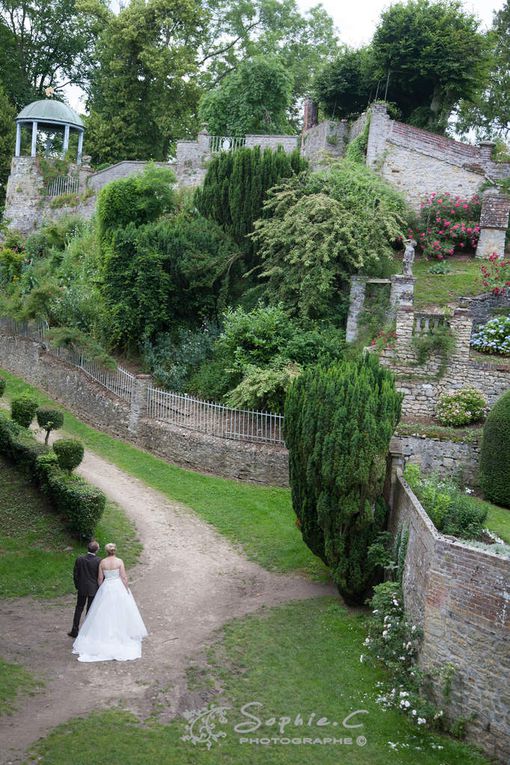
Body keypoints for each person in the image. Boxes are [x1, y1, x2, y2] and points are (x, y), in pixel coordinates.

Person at [72, 542, 148, 662]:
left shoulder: (102, 562)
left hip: (107, 587)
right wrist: (126, 588)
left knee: (104, 612)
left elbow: (100, 578)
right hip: (118, 586)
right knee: (121, 610)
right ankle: (121, 632)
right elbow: (124, 577)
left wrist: (101, 589)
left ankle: (99, 633)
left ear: (106, 551)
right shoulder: (119, 561)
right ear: (115, 550)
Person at [68, 540, 101, 638]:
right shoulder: (99, 561)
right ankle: (87, 631)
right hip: (93, 589)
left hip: (82, 588)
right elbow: (100, 576)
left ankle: (74, 630)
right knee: (90, 610)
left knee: (79, 608)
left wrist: (77, 585)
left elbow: (75, 574)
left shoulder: (79, 559)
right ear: (96, 550)